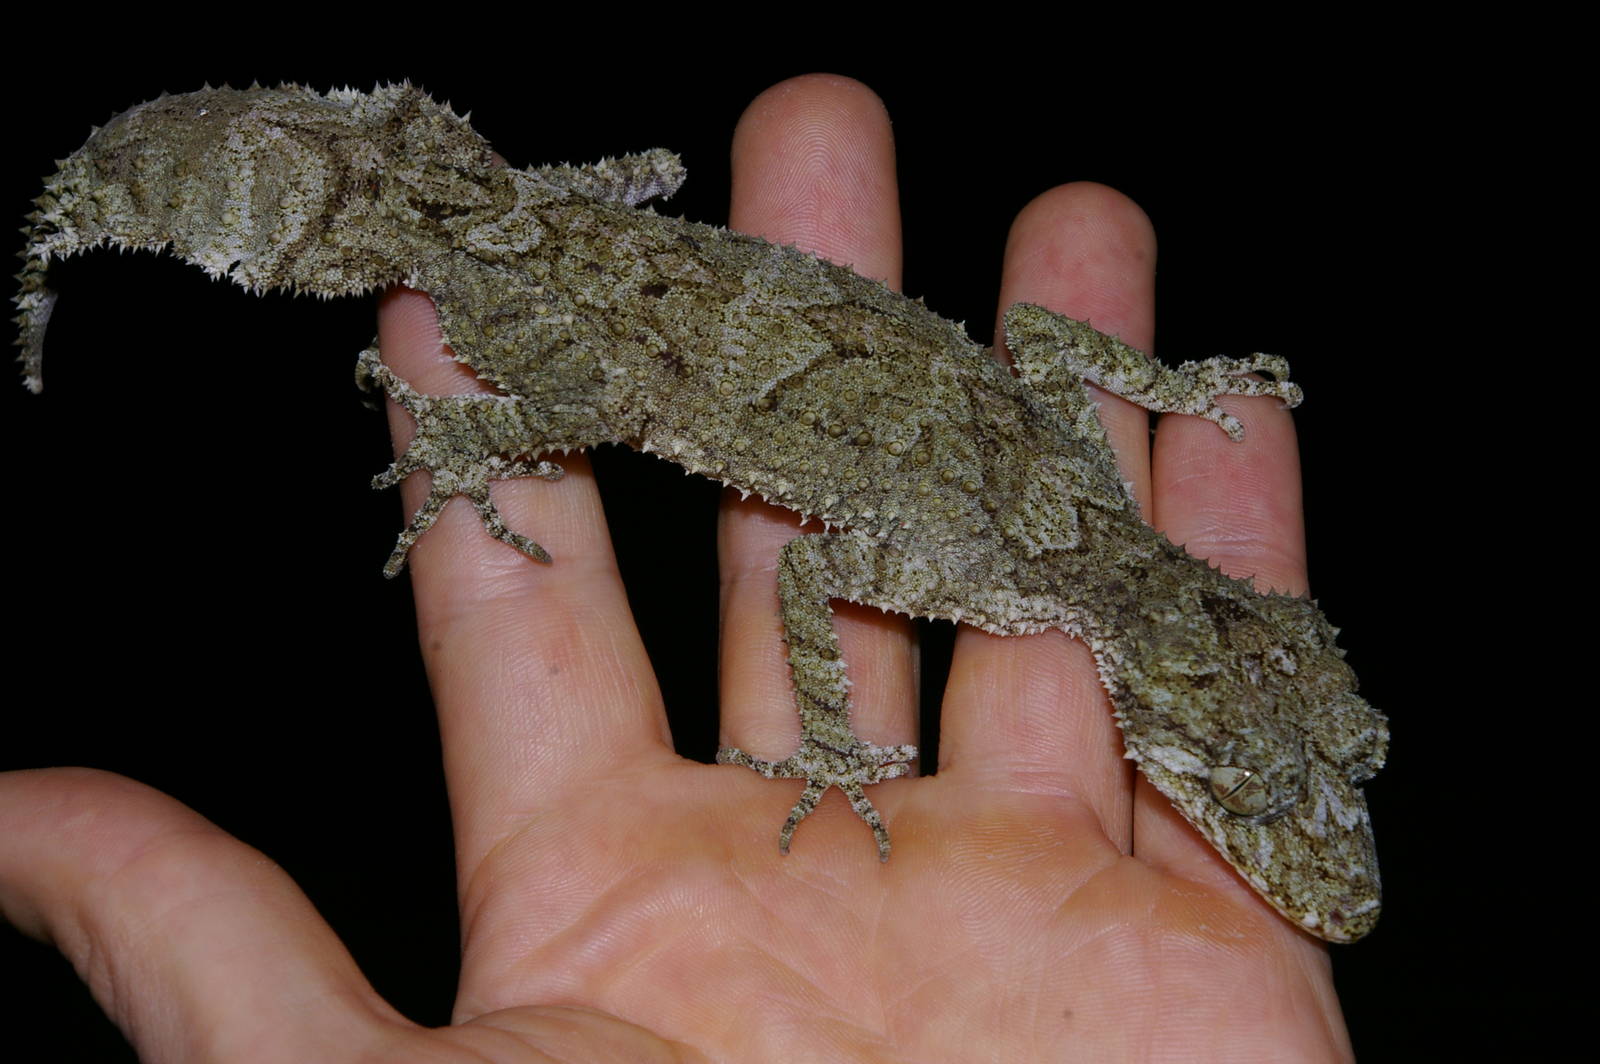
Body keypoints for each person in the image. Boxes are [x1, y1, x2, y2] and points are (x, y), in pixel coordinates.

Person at [0, 75, 1355, 1060]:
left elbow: (1047, 346)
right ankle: (456, 418)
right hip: (596, 323)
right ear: (1165, 715)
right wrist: (830, 746)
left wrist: (1161, 386)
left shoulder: (1081, 487)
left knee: (536, 276)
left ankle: (503, 259)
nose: (1311, 829)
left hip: (614, 259)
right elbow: (807, 580)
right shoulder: (999, 567)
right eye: (1270, 792)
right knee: (595, 394)